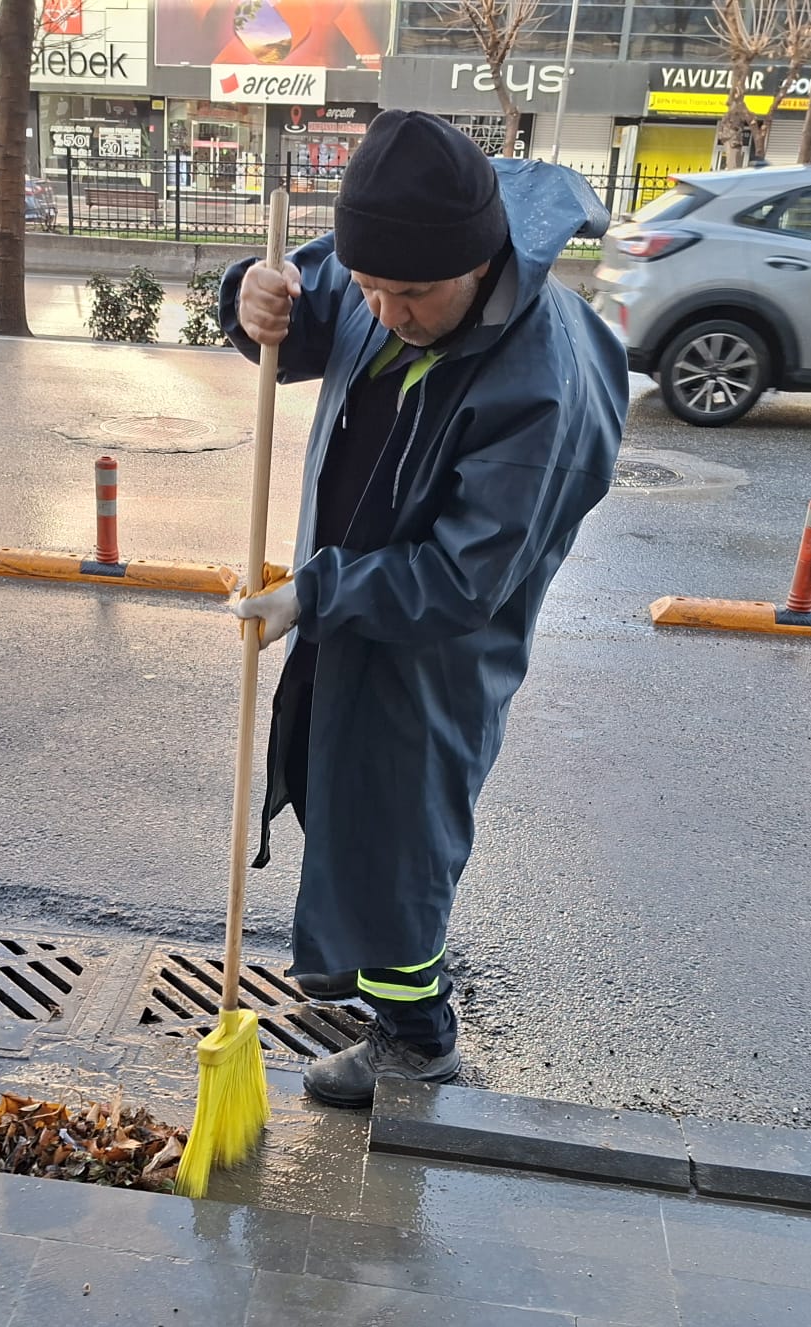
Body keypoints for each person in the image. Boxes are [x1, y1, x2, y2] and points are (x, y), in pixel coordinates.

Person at [221, 110, 628, 1108]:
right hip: (344, 615)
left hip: (433, 656)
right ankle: (373, 982)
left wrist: (314, 591)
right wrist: (251, 295)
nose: (385, 312)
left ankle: (416, 1035)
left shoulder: (543, 379)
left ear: (479, 263)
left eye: (409, 296)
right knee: (335, 806)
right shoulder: (396, 260)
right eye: (369, 289)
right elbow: (301, 312)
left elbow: (459, 579)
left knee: (400, 849)